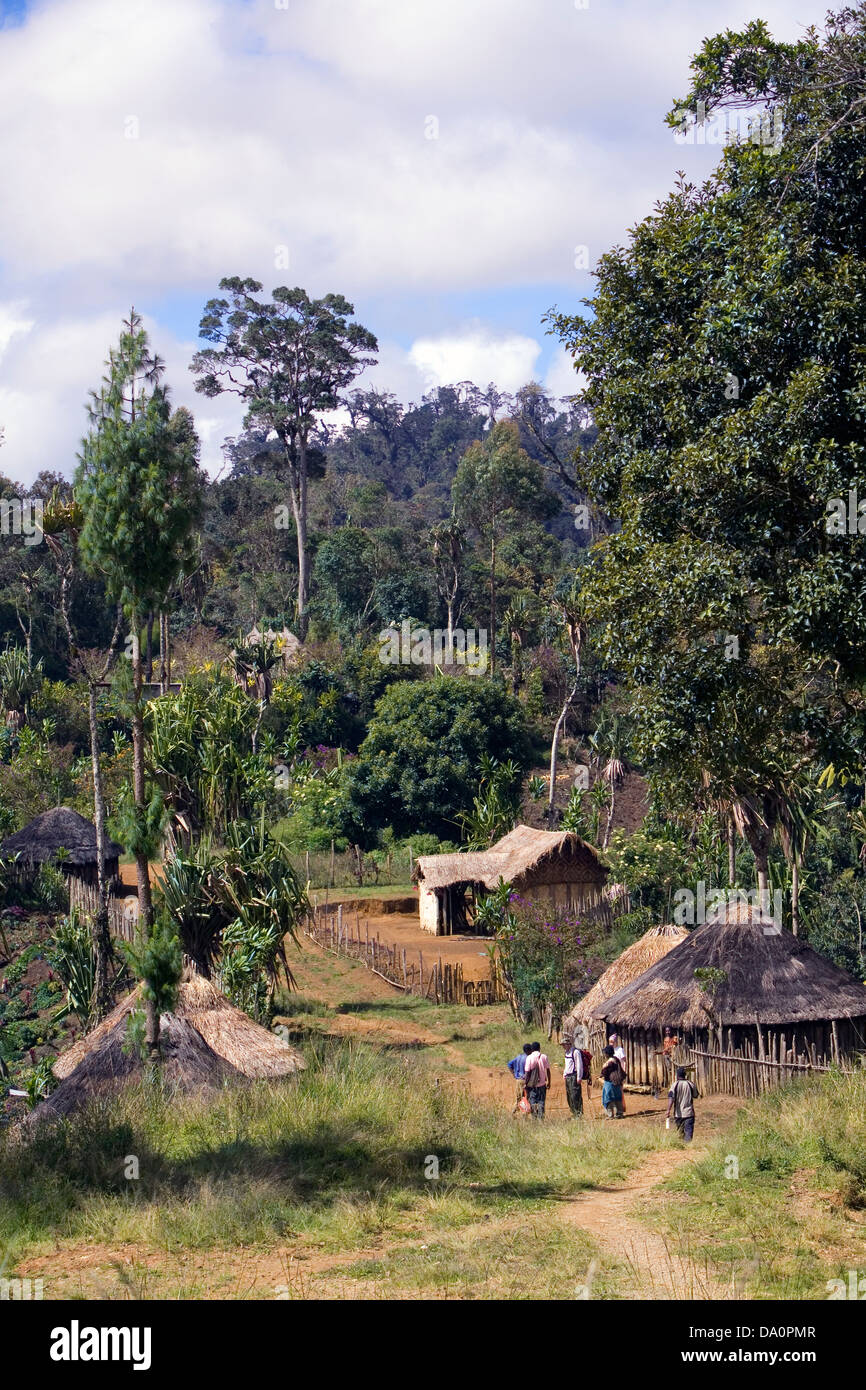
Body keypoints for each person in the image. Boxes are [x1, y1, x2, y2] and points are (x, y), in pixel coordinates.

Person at [667, 1066, 699, 1142]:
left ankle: (682, 1148)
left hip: (678, 1114)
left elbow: (671, 1098)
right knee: (688, 1133)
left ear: (677, 1076)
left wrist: (668, 1110)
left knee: (680, 1133)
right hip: (689, 1113)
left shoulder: (674, 1085)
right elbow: (696, 1095)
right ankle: (688, 1148)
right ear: (685, 1075)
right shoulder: (690, 1084)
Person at [563, 1038, 590, 1116]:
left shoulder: (575, 1052)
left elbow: (579, 1065)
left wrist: (579, 1077)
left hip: (574, 1076)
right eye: (563, 1045)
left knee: (575, 1095)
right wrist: (564, 1074)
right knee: (569, 1095)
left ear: (569, 1044)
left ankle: (579, 1113)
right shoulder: (566, 1052)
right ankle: (573, 1112)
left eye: (564, 1045)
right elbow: (567, 1064)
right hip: (568, 1076)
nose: (563, 1047)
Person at [524, 1040, 550, 1118]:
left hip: (532, 1085)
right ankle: (541, 1118)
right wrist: (549, 1082)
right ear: (539, 1048)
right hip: (542, 1084)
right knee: (541, 1101)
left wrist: (526, 1083)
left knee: (533, 1101)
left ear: (532, 1049)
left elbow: (527, 1072)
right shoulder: (544, 1057)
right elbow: (548, 1070)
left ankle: (534, 1118)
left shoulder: (529, 1057)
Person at [600, 1045, 626, 1118]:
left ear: (607, 1053)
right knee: (618, 1097)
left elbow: (605, 1072)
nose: (604, 1054)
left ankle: (610, 1114)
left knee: (608, 1098)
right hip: (617, 1081)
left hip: (610, 1082)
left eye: (605, 1053)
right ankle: (620, 1113)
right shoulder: (616, 1059)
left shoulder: (610, 1062)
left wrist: (602, 1073)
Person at [507, 1042, 533, 1113]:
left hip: (518, 1080)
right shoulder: (528, 1058)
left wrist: (514, 1075)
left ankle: (513, 1112)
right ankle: (524, 1113)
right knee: (526, 1098)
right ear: (529, 1050)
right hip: (526, 1081)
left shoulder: (518, 1057)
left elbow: (509, 1064)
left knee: (518, 1098)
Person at [608, 1033, 627, 1114]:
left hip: (619, 1072)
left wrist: (624, 1072)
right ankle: (615, 1109)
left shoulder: (620, 1050)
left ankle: (621, 1108)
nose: (611, 1043)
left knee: (619, 1091)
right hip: (612, 1074)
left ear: (616, 1042)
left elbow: (625, 1061)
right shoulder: (610, 1050)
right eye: (610, 1042)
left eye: (612, 1042)